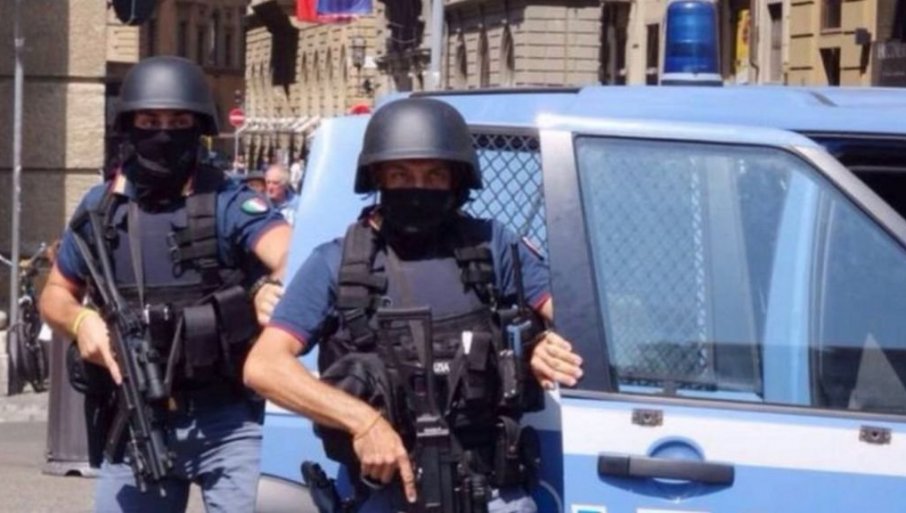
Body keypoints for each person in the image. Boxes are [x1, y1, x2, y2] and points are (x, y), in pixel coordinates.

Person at [243, 98, 583, 512]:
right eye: (400, 174)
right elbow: (264, 366)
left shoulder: (491, 247)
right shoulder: (339, 262)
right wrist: (362, 421)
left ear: (456, 181)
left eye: (433, 175)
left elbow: (575, 316)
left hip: (489, 492)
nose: (417, 188)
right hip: (385, 493)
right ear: (378, 178)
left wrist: (545, 342)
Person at [40, 56, 290, 513]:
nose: (163, 133)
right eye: (150, 121)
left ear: (199, 128)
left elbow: (289, 252)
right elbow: (55, 294)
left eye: (178, 122)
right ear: (129, 126)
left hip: (229, 418)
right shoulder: (103, 209)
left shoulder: (226, 199)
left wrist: (267, 290)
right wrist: (80, 322)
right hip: (138, 417)